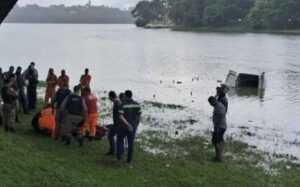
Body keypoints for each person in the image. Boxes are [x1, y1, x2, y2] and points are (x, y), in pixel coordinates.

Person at [117, 90, 142, 164]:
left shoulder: (122, 104)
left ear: (125, 96)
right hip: (133, 126)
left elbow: (121, 116)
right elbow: (139, 116)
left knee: (120, 141)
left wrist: (127, 124)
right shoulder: (137, 105)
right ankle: (129, 160)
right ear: (131, 95)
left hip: (123, 126)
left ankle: (119, 156)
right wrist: (136, 125)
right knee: (131, 143)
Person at [208, 96, 227, 162]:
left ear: (213, 101)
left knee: (215, 141)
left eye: (210, 103)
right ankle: (218, 155)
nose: (210, 104)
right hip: (220, 126)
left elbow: (221, 114)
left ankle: (218, 158)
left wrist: (217, 126)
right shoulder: (217, 105)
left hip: (220, 126)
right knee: (218, 141)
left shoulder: (219, 106)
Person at [106, 91, 121, 155]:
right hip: (118, 123)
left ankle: (112, 151)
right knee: (116, 137)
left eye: (109, 97)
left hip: (118, 124)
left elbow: (119, 115)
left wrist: (114, 125)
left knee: (110, 136)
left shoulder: (116, 104)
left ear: (110, 97)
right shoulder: (118, 102)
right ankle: (116, 151)